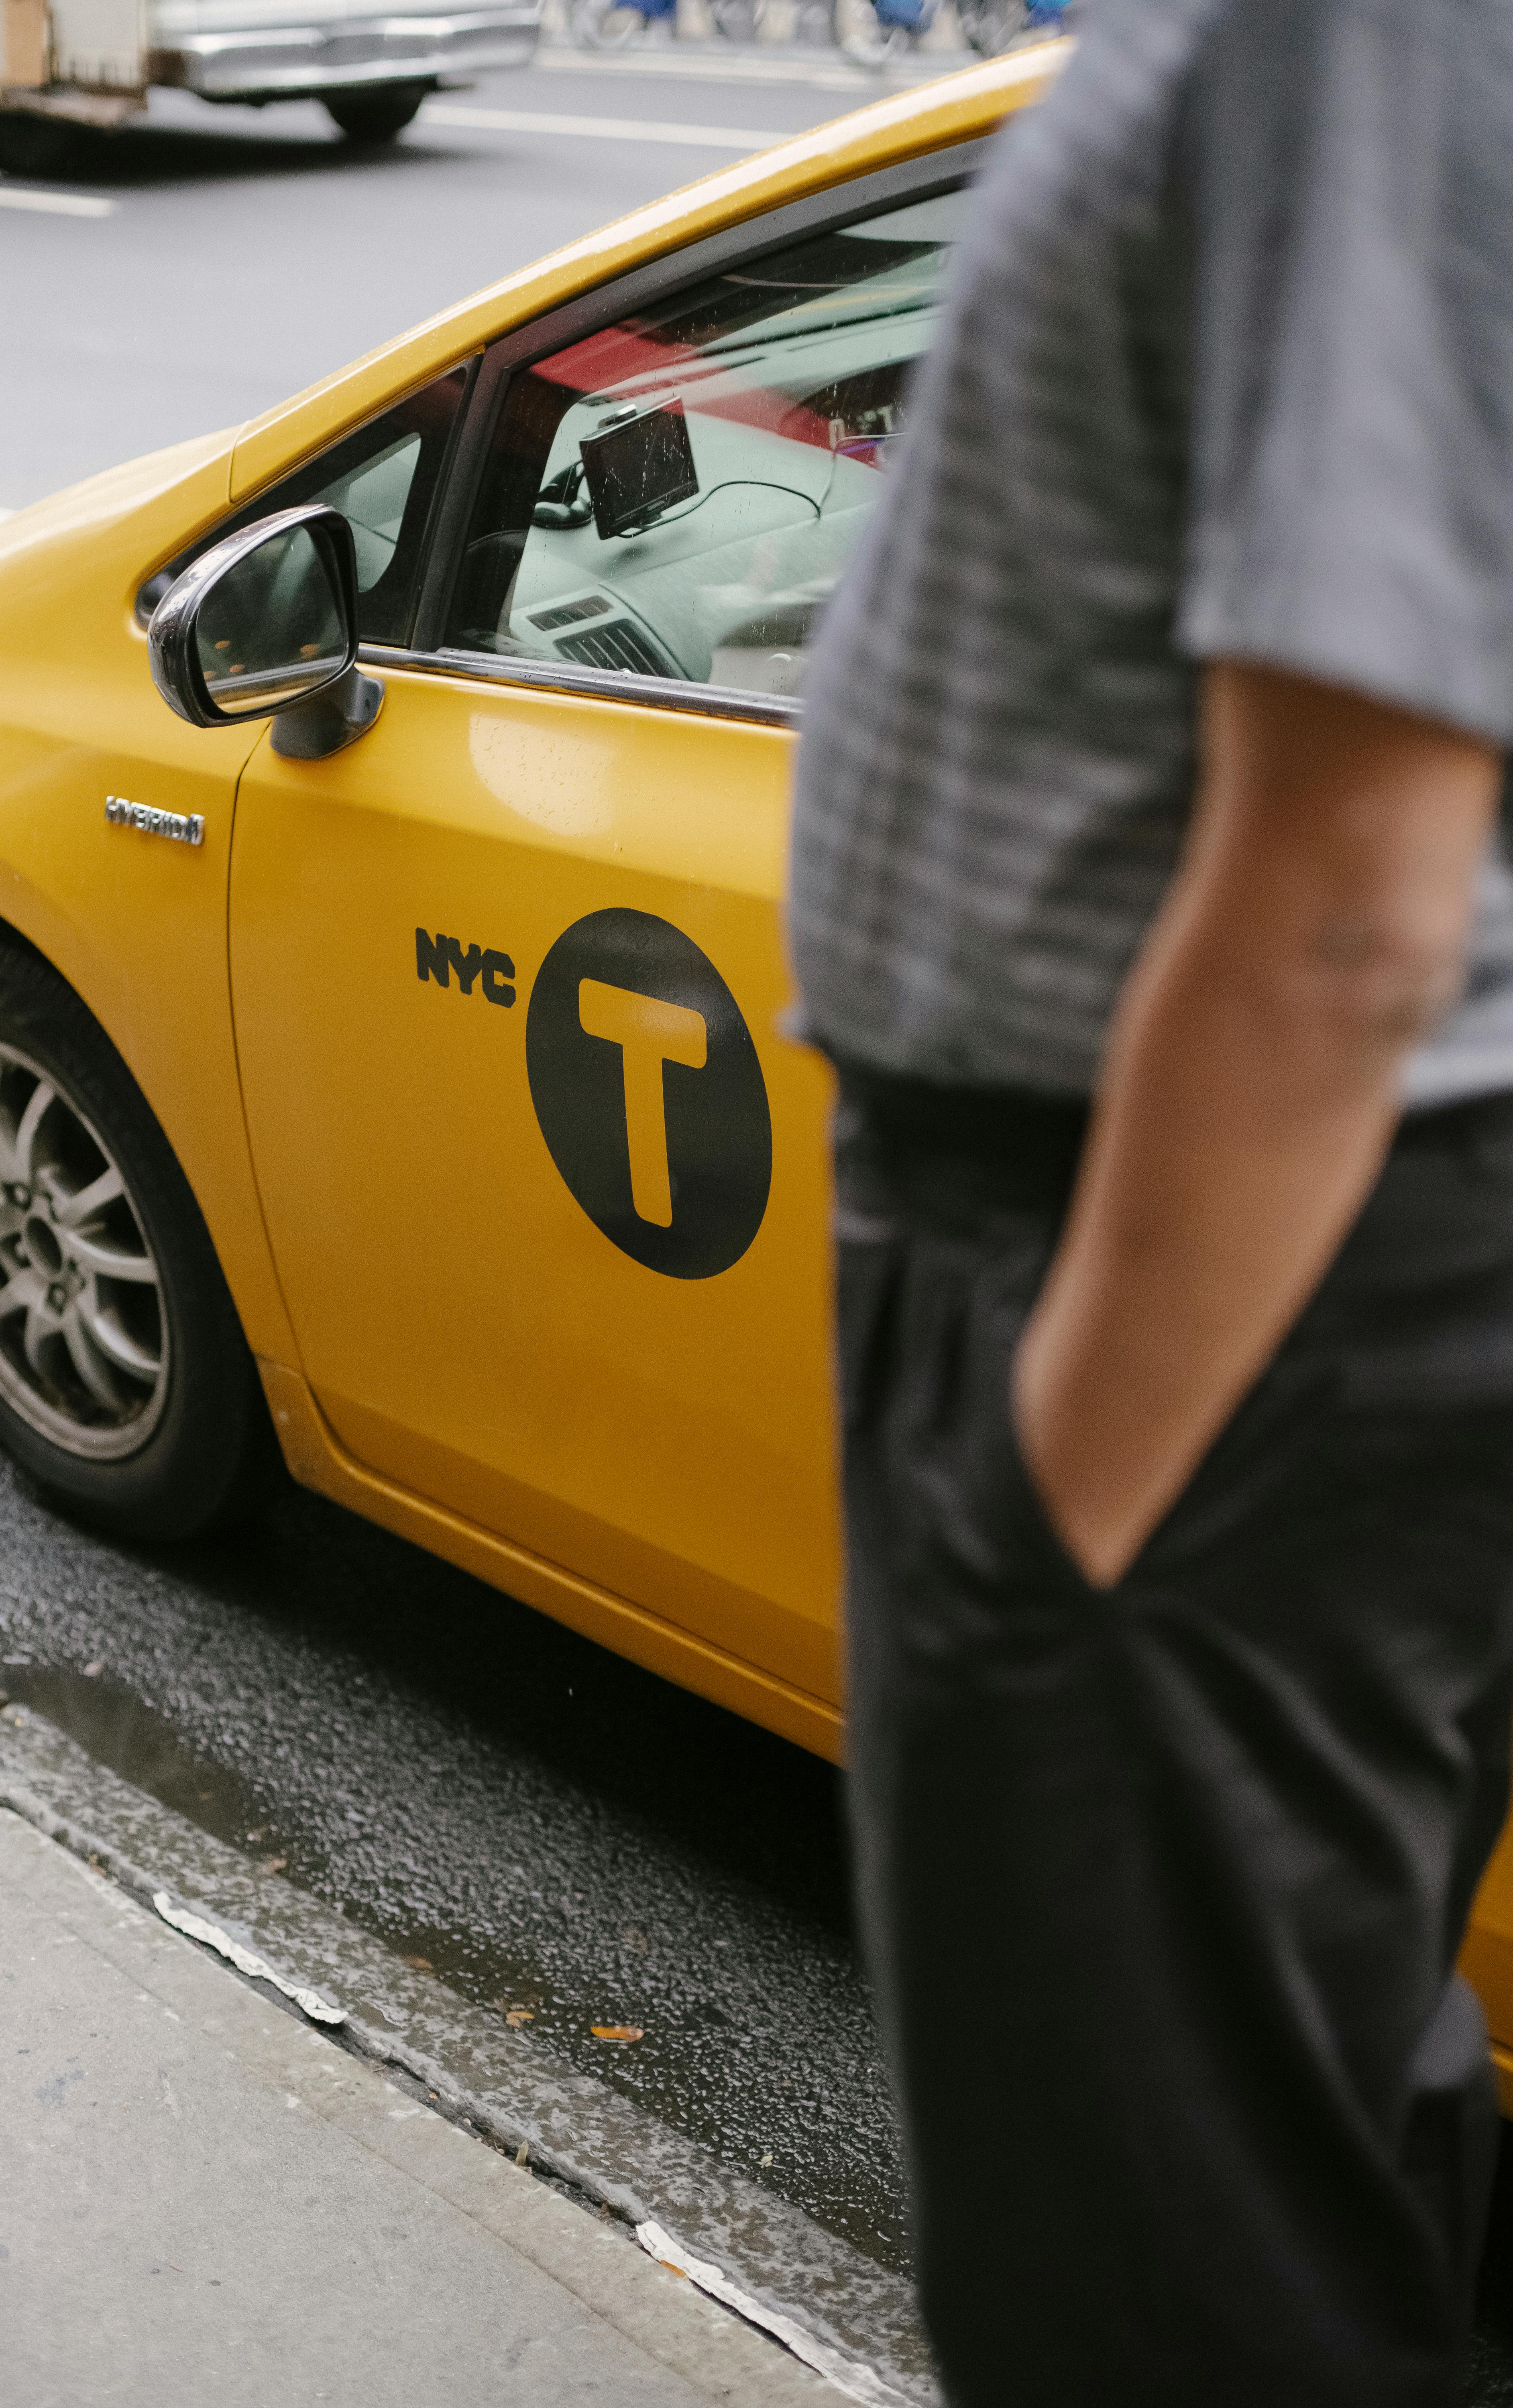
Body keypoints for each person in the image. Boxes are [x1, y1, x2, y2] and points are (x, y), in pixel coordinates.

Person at [787, 2, 1513, 2401]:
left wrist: (1050, 1528)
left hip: (1203, 1259)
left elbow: (1345, 897)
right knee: (1289, 2127)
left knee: (1152, 2284)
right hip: (1297, 1258)